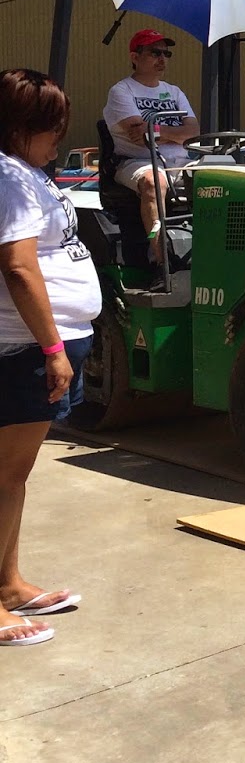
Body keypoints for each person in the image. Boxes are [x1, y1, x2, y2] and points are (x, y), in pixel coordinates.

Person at [0, 69, 102, 646]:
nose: (59, 141)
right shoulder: (9, 178)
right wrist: (53, 348)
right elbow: (18, 266)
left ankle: (9, 584)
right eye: (52, 128)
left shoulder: (21, 174)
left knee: (13, 476)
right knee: (5, 476)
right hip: (25, 349)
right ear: (23, 128)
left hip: (38, 344)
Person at [102, 29, 200, 263]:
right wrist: (174, 134)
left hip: (182, 163)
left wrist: (158, 131)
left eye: (166, 54)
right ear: (135, 57)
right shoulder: (121, 90)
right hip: (137, 162)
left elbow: (194, 132)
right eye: (155, 52)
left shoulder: (174, 91)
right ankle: (160, 260)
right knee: (154, 182)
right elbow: (139, 135)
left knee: (221, 179)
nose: (162, 59)